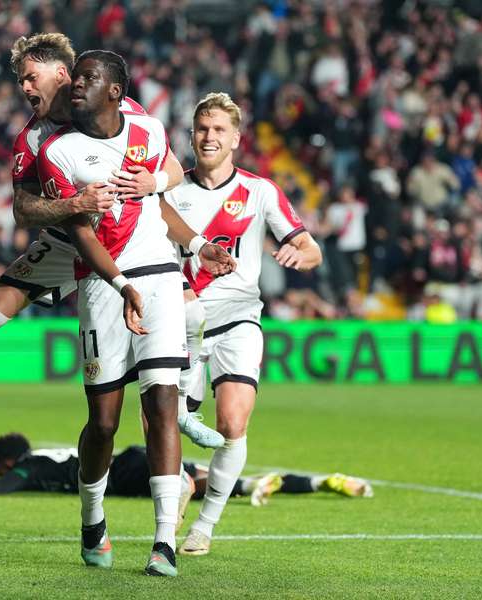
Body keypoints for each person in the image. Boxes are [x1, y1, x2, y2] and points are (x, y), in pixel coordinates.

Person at [35, 51, 234, 577]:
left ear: (115, 91)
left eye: (88, 78)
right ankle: (92, 520)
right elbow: (80, 233)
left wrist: (195, 244)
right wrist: (121, 286)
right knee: (103, 422)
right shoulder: (58, 151)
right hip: (104, 285)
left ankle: (164, 541)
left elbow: (160, 198)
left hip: (161, 278)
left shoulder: (149, 130)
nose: (76, 85)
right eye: (75, 77)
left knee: (162, 402)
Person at [0, 33, 224, 450]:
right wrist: (75, 204)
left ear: (60, 73)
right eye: (21, 81)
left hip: (129, 239)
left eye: (30, 77)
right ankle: (67, 281)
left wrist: (154, 185)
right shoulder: (33, 139)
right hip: (66, 241)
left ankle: (182, 409)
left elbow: (172, 173)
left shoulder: (123, 111)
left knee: (192, 313)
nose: (24, 88)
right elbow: (23, 209)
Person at [163, 93, 323, 556]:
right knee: (166, 422)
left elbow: (311, 248)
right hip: (182, 322)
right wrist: (180, 288)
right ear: (191, 135)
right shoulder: (170, 192)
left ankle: (205, 526)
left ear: (236, 138)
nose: (209, 137)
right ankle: (180, 484)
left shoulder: (260, 191)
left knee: (232, 422)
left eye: (219, 130)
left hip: (238, 319)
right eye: (202, 129)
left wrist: (300, 253)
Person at [0, 433, 374, 511]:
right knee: (221, 484)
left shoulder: (31, 466)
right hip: (133, 457)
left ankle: (244, 486)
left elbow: (4, 488)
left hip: (122, 472)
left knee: (190, 487)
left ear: (8, 461)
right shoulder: (44, 456)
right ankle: (318, 481)